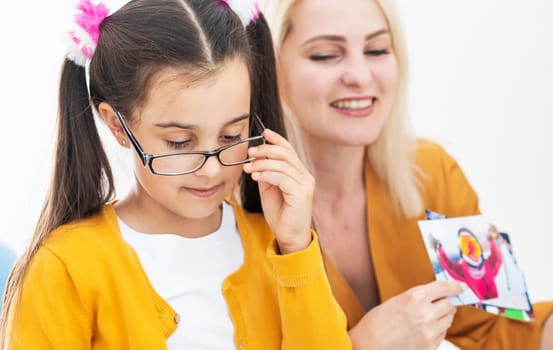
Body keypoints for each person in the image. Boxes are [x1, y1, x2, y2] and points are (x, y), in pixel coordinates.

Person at [262, 0, 553, 349]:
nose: (360, 75)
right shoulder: (237, 204)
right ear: (271, 66)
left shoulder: (431, 172)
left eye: (378, 49)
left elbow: (502, 335)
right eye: (325, 56)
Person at [0, 0, 350, 348]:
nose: (212, 170)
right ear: (117, 126)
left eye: (231, 136)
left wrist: (296, 248)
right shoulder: (67, 267)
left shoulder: (279, 245)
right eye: (180, 142)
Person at [434, 227, 502, 301]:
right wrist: (439, 249)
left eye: (475, 246)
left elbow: (496, 257)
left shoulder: (487, 265)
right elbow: (448, 265)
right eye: (465, 246)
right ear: (462, 252)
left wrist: (490, 239)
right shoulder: (463, 271)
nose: (472, 251)